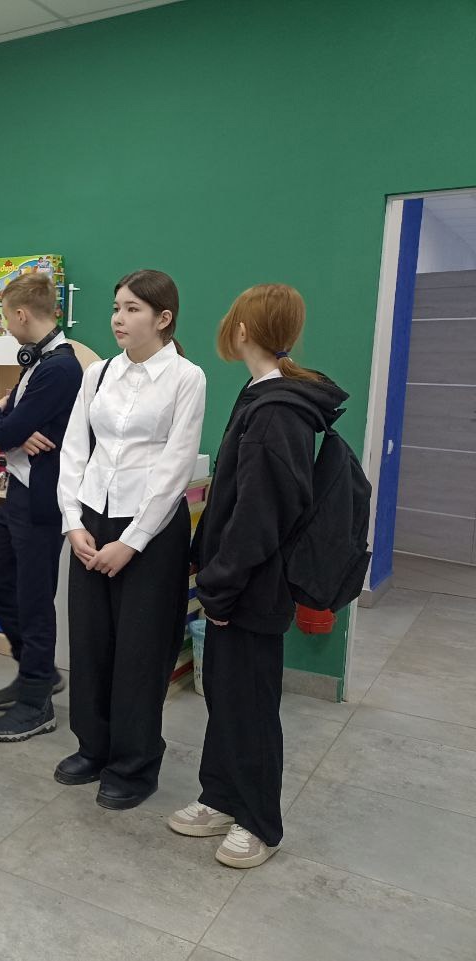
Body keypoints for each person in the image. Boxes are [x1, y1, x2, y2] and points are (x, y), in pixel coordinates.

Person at [169, 283, 345, 868]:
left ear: (243, 330)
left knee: (250, 705)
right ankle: (221, 797)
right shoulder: (260, 394)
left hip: (251, 589)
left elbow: (260, 517)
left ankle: (259, 821)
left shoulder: (277, 412)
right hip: (238, 584)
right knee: (225, 695)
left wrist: (220, 586)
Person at [55, 269, 206, 810]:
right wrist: (73, 521)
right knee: (90, 642)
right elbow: (76, 449)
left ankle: (134, 764)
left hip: (152, 531)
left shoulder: (186, 377)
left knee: (141, 652)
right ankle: (92, 747)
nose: (119, 318)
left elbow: (175, 466)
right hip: (92, 521)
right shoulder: (98, 373)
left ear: (163, 319)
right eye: (116, 307)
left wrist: (133, 540)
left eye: (132, 309)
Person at [0, 272, 82, 742]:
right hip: (19, 492)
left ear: (21, 314)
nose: (6, 325)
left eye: (5, 317)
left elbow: (3, 430)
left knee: (35, 599)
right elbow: (12, 429)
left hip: (41, 499)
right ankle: (36, 670)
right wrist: (12, 426)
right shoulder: (39, 362)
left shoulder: (60, 368)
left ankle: (38, 700)